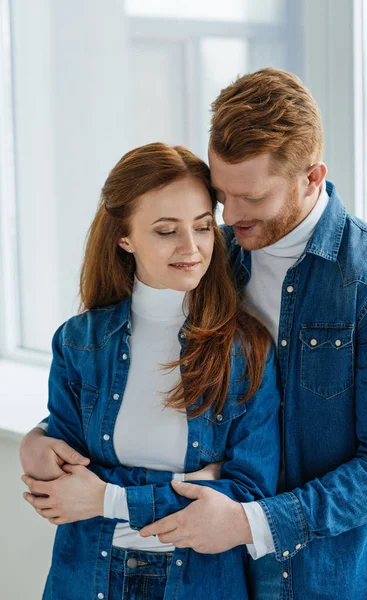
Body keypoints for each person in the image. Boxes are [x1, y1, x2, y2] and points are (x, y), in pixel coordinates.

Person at [21, 67, 367, 599]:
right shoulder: (213, 256)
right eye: (221, 195)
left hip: (328, 575)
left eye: (252, 197)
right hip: (217, 573)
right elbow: (132, 382)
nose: (230, 218)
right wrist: (42, 438)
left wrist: (250, 520)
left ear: (312, 178)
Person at [19, 142, 281, 600]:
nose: (191, 248)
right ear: (125, 237)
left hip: (201, 584)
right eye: (166, 231)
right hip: (86, 579)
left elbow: (249, 493)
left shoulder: (246, 350)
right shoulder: (80, 343)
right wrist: (198, 483)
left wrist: (107, 497)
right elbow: (62, 485)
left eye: (202, 227)